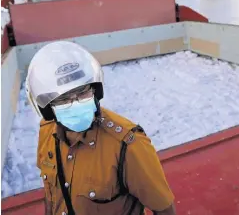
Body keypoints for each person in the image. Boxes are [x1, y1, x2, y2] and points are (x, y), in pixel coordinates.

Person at [26, 41, 176, 215]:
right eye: (64, 98)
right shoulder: (46, 131)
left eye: (83, 92)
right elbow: (52, 193)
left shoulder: (128, 146)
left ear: (95, 91)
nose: (75, 103)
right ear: (48, 107)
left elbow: (164, 209)